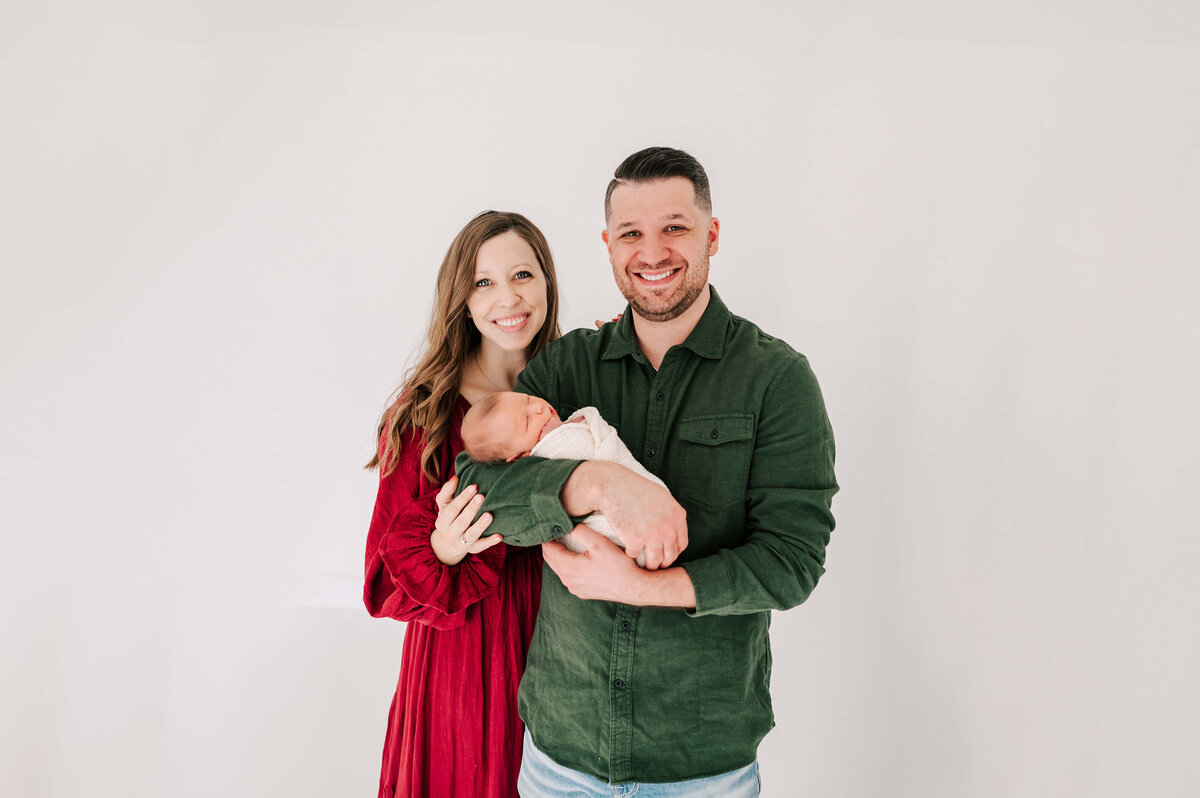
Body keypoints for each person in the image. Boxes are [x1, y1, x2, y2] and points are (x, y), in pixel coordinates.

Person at [456, 147, 838, 797]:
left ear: (712, 234)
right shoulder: (566, 367)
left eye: (675, 227)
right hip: (560, 757)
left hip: (702, 765)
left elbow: (791, 562)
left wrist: (643, 586)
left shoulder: (777, 379)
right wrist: (596, 483)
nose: (652, 251)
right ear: (608, 246)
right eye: (631, 233)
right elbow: (480, 487)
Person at [362, 210, 562, 798]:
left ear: (548, 283)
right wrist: (441, 549)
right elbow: (381, 585)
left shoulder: (576, 389)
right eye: (484, 282)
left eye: (523, 274)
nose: (509, 297)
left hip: (570, 659)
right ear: (463, 301)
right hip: (465, 666)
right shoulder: (423, 413)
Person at [459, 390, 668, 565]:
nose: (538, 408)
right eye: (527, 421)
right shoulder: (546, 452)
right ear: (520, 456)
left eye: (528, 400)